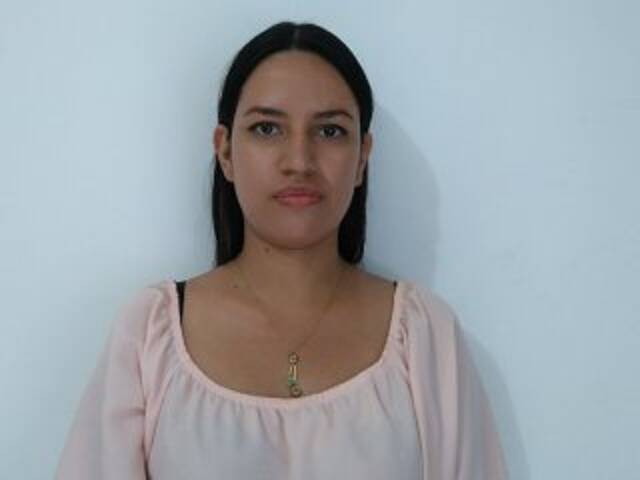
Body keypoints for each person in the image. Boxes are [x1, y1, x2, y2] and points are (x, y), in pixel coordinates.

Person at [55, 21, 507, 479]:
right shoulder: (150, 333)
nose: (299, 161)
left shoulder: (425, 335)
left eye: (330, 131)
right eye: (267, 128)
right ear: (225, 152)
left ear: (362, 158)